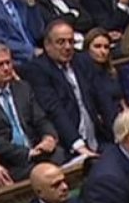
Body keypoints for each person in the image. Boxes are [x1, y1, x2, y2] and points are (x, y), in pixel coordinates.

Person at [0, 44, 64, 181]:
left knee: (59, 155)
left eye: (8, 62)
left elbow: (41, 120)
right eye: (0, 65)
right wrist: (28, 153)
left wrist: (48, 137)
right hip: (10, 162)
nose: (6, 68)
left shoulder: (23, 88)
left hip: (37, 152)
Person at [23, 21, 104, 156]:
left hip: (97, 137)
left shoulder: (82, 60)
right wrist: (78, 146)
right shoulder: (38, 70)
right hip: (68, 144)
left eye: (71, 42)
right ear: (47, 45)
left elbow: (102, 97)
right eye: (61, 42)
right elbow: (54, 110)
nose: (67, 47)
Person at [78, 28, 125, 145]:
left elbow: (120, 98)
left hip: (121, 119)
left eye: (106, 47)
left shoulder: (111, 72)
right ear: (87, 48)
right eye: (97, 46)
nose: (103, 51)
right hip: (102, 127)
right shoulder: (83, 75)